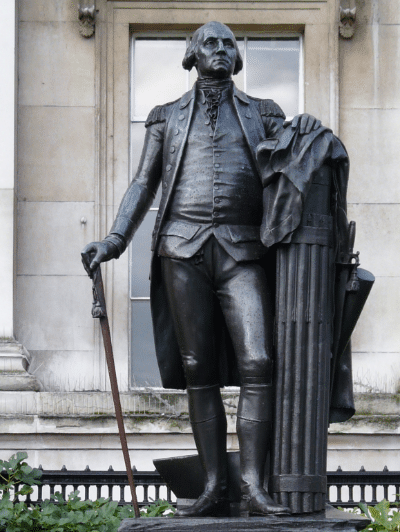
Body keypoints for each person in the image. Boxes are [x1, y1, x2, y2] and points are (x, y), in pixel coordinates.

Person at [81, 21, 320, 517]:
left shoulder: (265, 114)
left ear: (238, 58)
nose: (220, 49)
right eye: (209, 42)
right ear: (191, 55)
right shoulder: (165, 117)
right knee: (198, 370)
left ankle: (253, 485)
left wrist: (314, 141)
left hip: (242, 249)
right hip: (181, 248)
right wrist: (115, 240)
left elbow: (293, 173)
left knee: (258, 362)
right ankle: (213, 484)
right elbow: (143, 184)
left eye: (228, 43)